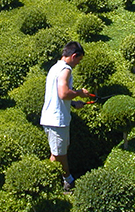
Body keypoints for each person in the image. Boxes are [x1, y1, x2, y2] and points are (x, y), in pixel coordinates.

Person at [40, 41, 90, 191]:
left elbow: (57, 95)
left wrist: (74, 104)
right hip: (57, 121)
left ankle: (46, 178)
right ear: (74, 56)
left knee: (57, 153)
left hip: (54, 118)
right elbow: (63, 93)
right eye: (78, 60)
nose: (77, 64)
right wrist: (80, 92)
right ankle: (68, 180)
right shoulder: (66, 69)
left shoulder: (55, 68)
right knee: (60, 154)